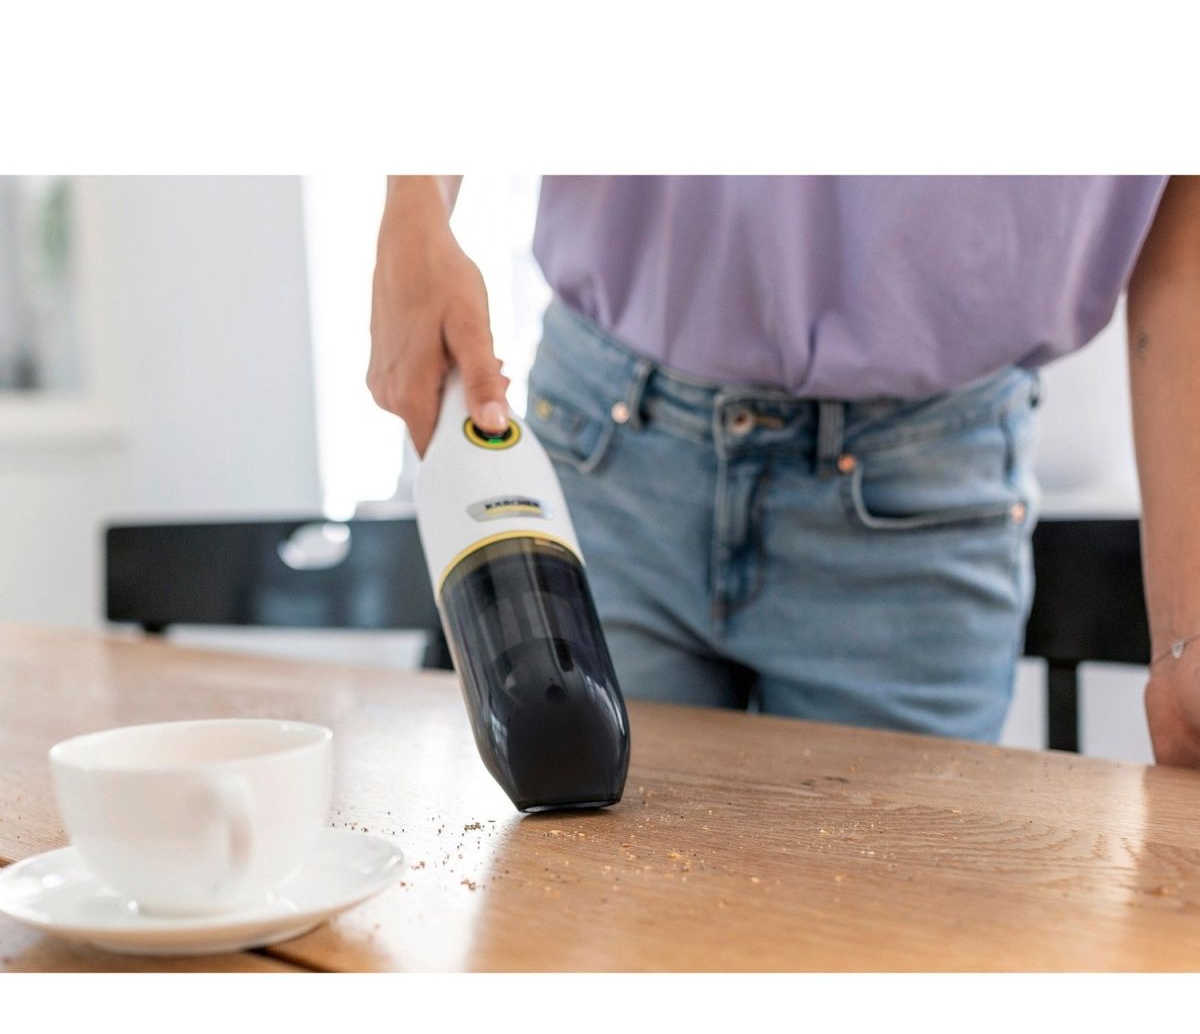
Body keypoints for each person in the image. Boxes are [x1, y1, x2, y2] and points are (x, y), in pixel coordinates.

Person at [368, 175, 1200, 768]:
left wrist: (1187, 636)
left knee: (877, 937)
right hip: (608, 448)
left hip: (926, 494)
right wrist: (414, 202)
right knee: (582, 917)